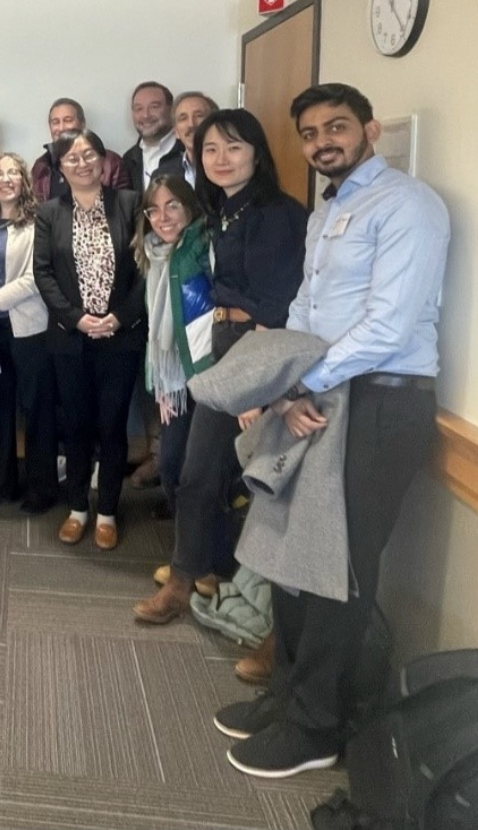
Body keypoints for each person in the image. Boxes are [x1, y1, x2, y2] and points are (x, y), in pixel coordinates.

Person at [216, 83, 449, 779]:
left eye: (337, 128)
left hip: (379, 402)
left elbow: (390, 324)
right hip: (319, 397)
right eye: (313, 132)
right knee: (294, 558)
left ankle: (317, 727)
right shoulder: (330, 214)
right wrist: (287, 381)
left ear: (370, 129)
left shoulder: (408, 206)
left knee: (339, 570)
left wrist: (301, 383)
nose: (324, 142)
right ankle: (291, 696)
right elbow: (303, 309)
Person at [133, 109, 308, 623]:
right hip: (223, 342)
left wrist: (259, 389)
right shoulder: (218, 213)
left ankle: (232, 591)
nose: (222, 159)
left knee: (239, 477)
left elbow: (279, 305)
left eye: (234, 147)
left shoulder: (278, 213)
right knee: (197, 473)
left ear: (257, 150)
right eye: (211, 149)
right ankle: (190, 576)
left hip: (260, 349)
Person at [34, 130, 145, 551]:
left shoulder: (131, 204)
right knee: (77, 426)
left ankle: (108, 512)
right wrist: (77, 319)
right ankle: (78, 508)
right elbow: (43, 273)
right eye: (72, 158)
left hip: (121, 338)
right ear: (60, 168)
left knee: (112, 427)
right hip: (70, 339)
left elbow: (145, 266)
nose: (82, 163)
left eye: (89, 154)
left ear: (104, 160)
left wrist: (120, 317)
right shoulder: (49, 213)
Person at [127, 174, 232, 595]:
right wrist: (164, 383)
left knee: (203, 473)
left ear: (189, 207)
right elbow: (158, 329)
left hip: (209, 373)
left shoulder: (203, 245)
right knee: (171, 466)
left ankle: (207, 565)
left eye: (172, 206)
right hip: (175, 380)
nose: (163, 216)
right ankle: (193, 556)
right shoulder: (154, 254)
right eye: (154, 209)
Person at [0, 153, 57, 513]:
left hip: (27, 328)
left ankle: (41, 490)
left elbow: (34, 279)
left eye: (13, 172)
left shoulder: (36, 225)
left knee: (36, 410)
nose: (5, 179)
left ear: (24, 181)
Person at [31, 98, 130, 202]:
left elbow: (124, 207)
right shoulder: (41, 166)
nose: (61, 128)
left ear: (82, 123)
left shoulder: (111, 162)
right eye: (55, 122)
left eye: (68, 120)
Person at [121, 82, 183, 193]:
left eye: (154, 107)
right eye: (138, 108)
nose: (145, 115)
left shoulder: (188, 151)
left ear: (172, 110)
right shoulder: (129, 159)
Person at [155, 92, 219, 187]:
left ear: (216, 123)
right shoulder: (162, 175)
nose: (191, 124)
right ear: (176, 131)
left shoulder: (226, 167)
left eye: (199, 115)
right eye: (183, 118)